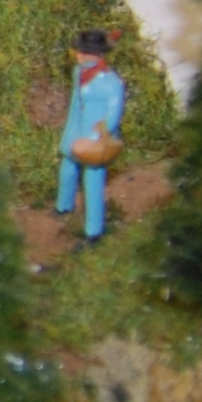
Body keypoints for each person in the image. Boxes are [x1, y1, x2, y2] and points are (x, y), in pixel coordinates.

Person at [58, 28, 128, 242]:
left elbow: (113, 115)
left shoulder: (111, 83)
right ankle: (64, 205)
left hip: (95, 138)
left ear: (97, 55)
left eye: (84, 52)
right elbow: (75, 104)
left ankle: (93, 230)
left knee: (93, 183)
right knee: (67, 170)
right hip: (75, 131)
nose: (78, 56)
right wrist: (70, 133)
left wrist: (95, 139)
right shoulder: (78, 73)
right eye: (79, 51)